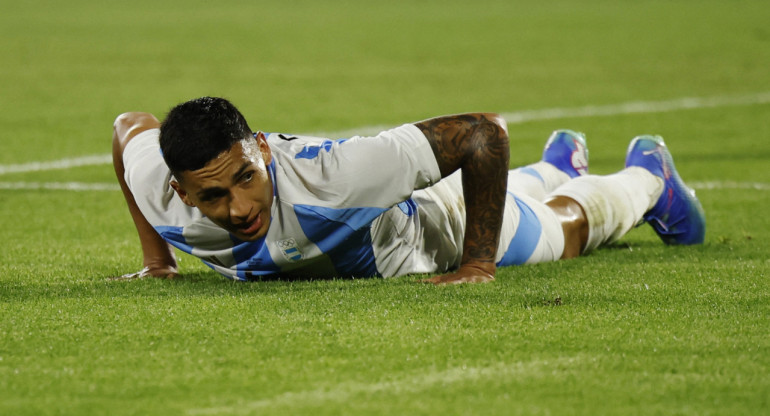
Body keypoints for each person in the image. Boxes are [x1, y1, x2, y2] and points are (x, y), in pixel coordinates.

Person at [111, 97, 705, 285]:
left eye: (247, 178)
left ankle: (650, 181)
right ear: (179, 192)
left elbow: (482, 134)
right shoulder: (155, 183)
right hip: (396, 204)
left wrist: (477, 261)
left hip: (428, 223)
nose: (239, 208)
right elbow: (129, 128)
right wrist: (157, 262)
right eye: (213, 197)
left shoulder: (339, 176)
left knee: (565, 231)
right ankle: (555, 163)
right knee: (531, 190)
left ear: (262, 150)